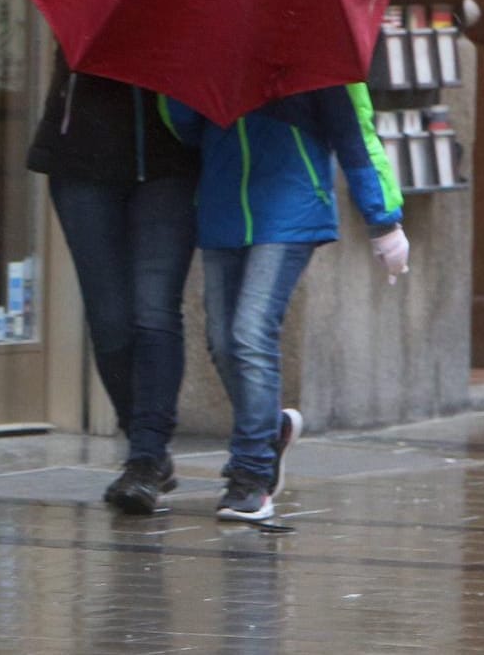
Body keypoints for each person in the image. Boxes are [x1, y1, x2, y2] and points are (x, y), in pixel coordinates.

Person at [161, 83, 408, 523]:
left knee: (250, 333)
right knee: (221, 341)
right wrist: (184, 89)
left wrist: (383, 219)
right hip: (223, 205)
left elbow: (354, 133)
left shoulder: (314, 48)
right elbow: (184, 128)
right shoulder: (209, 48)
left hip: (290, 206)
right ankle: (270, 431)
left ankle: (251, 476)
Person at [27, 52, 200, 515]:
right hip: (83, 156)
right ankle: (145, 444)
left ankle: (144, 457)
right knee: (110, 321)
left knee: (154, 310)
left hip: (171, 161)